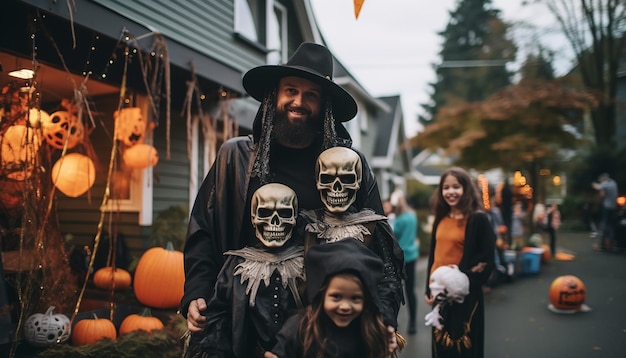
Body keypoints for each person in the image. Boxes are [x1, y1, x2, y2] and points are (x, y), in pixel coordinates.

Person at [182, 42, 404, 347]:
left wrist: (384, 314)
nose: (299, 101)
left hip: (325, 330)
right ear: (275, 95)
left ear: (324, 105)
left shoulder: (347, 165)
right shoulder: (237, 157)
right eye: (291, 90)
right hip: (247, 323)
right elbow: (203, 231)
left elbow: (378, 248)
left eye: (311, 94)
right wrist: (197, 290)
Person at [192, 183, 305, 357]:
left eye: (284, 214)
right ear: (254, 218)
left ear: (294, 218)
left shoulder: (305, 265)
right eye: (265, 214)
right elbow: (220, 312)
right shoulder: (237, 265)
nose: (274, 222)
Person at [265, 239, 399, 358]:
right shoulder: (299, 328)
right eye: (336, 297)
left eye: (355, 298)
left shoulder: (369, 329)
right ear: (321, 294)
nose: (345, 306)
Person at [424, 167, 495, 358]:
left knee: (463, 351)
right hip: (439, 296)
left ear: (466, 189)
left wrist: (460, 282)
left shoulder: (478, 219)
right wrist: (428, 288)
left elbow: (488, 262)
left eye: (456, 186)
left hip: (465, 298)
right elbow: (434, 255)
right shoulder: (441, 218)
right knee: (441, 350)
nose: (450, 192)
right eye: (446, 187)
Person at [391, 191, 419, 335]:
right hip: (412, 256)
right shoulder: (413, 216)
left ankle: (393, 322)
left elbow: (393, 236)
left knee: (396, 289)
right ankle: (413, 322)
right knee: (410, 290)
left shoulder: (400, 220)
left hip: (400, 258)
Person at [592, 173, 619, 251]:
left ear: (603, 179)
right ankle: (611, 244)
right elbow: (603, 194)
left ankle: (603, 245)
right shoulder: (613, 182)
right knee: (611, 226)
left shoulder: (606, 184)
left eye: (601, 181)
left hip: (608, 208)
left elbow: (597, 187)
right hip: (614, 207)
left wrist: (593, 184)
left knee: (604, 226)